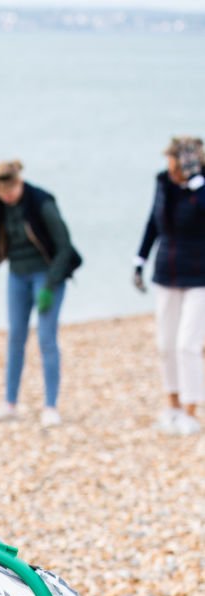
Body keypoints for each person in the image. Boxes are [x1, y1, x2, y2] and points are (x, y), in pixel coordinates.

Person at [0, 160, 81, 428]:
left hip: (47, 275)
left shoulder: (41, 203)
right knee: (15, 337)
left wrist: (50, 285)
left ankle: (51, 406)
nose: (6, 198)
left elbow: (65, 247)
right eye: (1, 194)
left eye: (9, 193)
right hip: (17, 275)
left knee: (46, 338)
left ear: (18, 182)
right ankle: (9, 403)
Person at [134, 135, 205, 436]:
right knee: (165, 343)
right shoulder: (163, 182)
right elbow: (154, 220)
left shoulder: (201, 187)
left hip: (200, 275)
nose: (171, 168)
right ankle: (172, 404)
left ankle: (192, 408)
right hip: (167, 272)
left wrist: (198, 185)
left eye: (175, 162)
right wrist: (140, 259)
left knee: (187, 344)